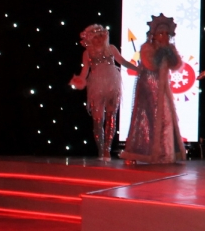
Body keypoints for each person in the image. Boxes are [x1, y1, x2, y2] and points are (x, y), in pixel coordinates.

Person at [120, 14, 186, 164]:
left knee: (166, 118)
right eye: (161, 33)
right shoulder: (147, 48)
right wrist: (162, 52)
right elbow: (151, 64)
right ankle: (149, 153)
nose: (164, 36)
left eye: (166, 34)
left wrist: (169, 52)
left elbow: (176, 65)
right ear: (154, 35)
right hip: (149, 87)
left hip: (162, 88)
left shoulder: (169, 48)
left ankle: (166, 153)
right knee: (150, 119)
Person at [69, 24, 135, 160]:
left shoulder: (111, 48)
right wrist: (79, 80)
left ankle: (107, 150)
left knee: (111, 116)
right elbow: (85, 70)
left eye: (101, 36)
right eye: (95, 37)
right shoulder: (87, 53)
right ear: (90, 39)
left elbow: (122, 61)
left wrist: (138, 69)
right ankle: (100, 149)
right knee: (98, 119)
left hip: (112, 84)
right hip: (96, 86)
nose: (99, 39)